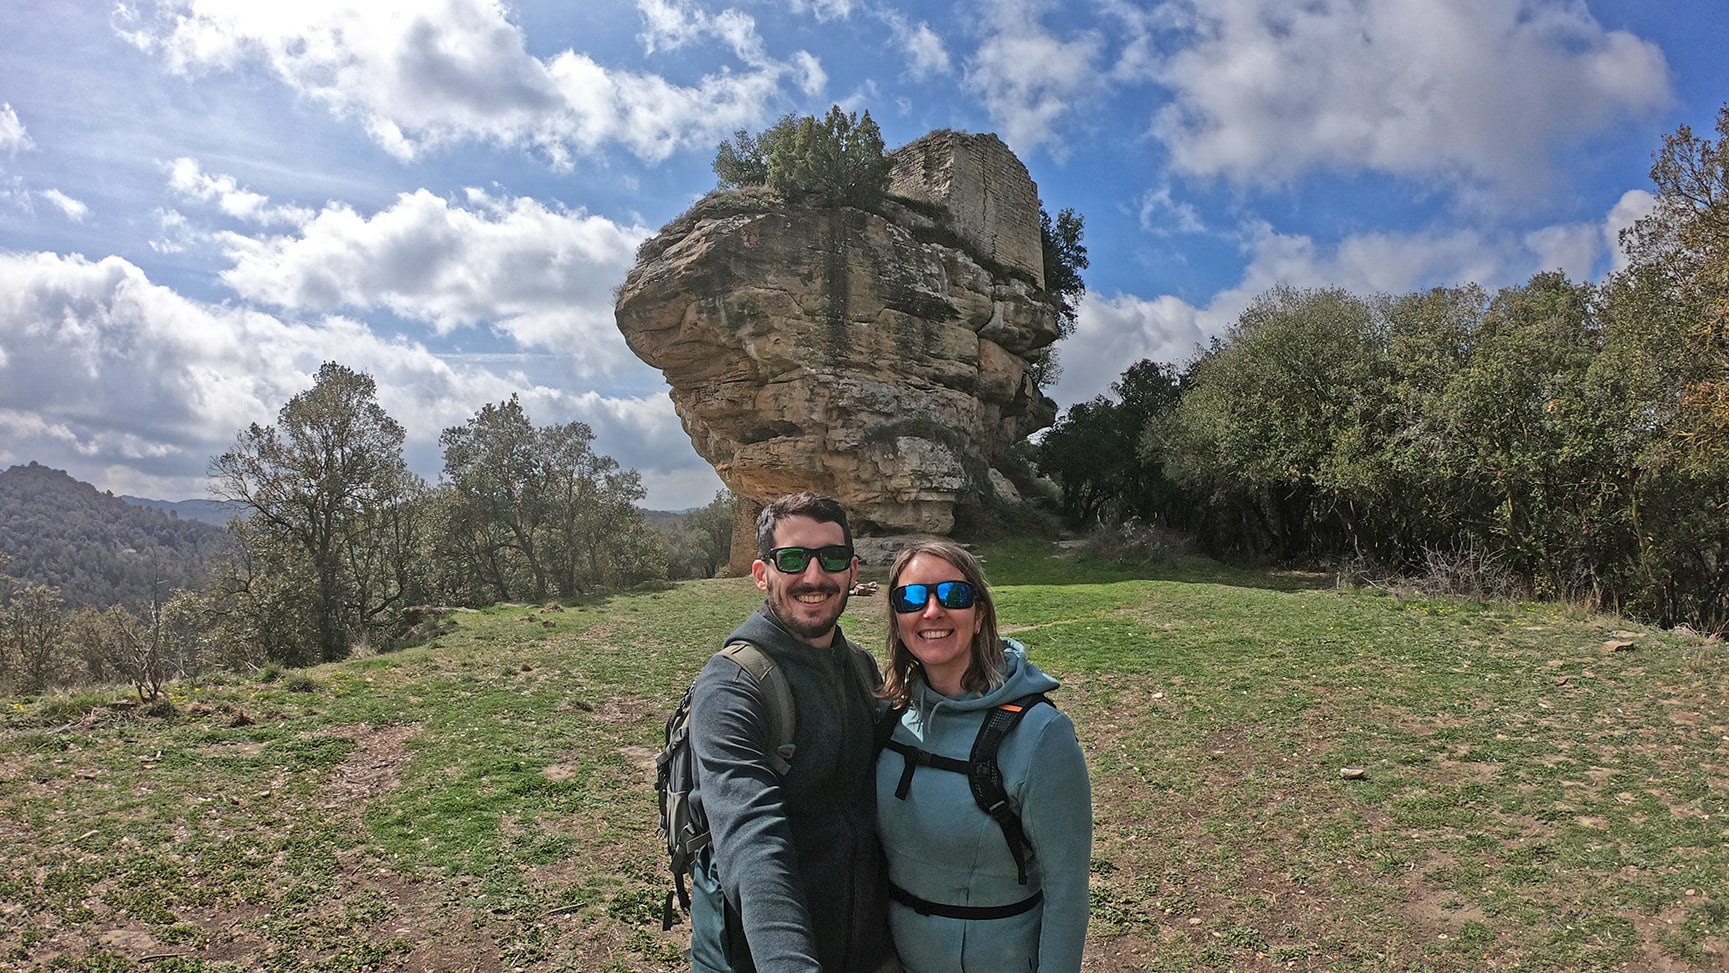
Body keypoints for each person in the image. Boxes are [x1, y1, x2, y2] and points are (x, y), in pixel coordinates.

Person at [687, 492, 898, 973]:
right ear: (763, 574)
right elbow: (752, 839)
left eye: (833, 558)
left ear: (853, 572)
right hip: (758, 956)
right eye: (793, 559)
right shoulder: (732, 686)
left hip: (862, 947)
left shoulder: (861, 669)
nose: (814, 576)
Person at [874, 539, 1092, 972]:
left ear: (980, 616)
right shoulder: (887, 716)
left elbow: (1067, 891)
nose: (931, 611)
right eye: (912, 597)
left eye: (954, 595)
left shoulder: (1041, 735)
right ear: (898, 620)